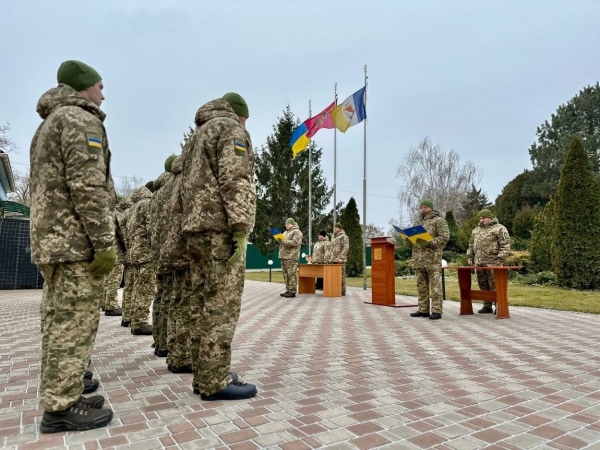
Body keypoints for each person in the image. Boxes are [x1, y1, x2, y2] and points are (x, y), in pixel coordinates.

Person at [30, 60, 114, 432]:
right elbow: (88, 187)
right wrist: (104, 242)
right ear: (84, 88)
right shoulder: (80, 120)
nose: (102, 94)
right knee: (74, 325)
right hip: (74, 243)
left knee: (58, 321)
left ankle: (62, 393)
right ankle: (61, 409)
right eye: (99, 86)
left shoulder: (48, 123)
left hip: (54, 243)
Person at [180, 92, 256, 400]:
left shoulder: (197, 135)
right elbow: (236, 178)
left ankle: (204, 374)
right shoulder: (230, 129)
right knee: (221, 306)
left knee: (201, 302)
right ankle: (215, 381)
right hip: (219, 230)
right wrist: (241, 227)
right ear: (241, 115)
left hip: (195, 230)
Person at [148, 155, 177, 356]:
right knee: (174, 299)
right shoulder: (174, 187)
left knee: (161, 296)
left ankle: (159, 341)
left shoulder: (156, 194)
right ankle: (170, 344)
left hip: (158, 253)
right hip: (174, 253)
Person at [409, 199, 450, 320]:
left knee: (435, 286)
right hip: (418, 258)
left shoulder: (439, 221)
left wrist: (429, 242)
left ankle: (437, 310)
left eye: (426, 207)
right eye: (421, 207)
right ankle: (423, 309)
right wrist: (408, 240)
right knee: (421, 285)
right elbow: (414, 238)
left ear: (431, 208)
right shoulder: (417, 222)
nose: (423, 209)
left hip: (432, 258)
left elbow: (445, 237)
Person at [467, 208, 511, 314]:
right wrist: (469, 257)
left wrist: (501, 259)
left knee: (495, 285)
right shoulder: (476, 230)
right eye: (480, 218)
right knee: (483, 284)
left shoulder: (499, 228)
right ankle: (487, 305)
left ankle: (499, 306)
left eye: (484, 218)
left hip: (493, 262)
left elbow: (505, 244)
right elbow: (471, 245)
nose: (481, 220)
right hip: (479, 262)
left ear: (490, 218)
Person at [126, 185, 156, 335]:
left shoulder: (133, 207)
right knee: (147, 288)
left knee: (138, 287)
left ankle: (134, 319)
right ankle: (139, 322)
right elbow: (152, 229)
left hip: (135, 253)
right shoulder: (146, 204)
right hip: (146, 253)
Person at [278, 218, 303, 298]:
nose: (286, 225)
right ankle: (288, 289)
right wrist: (278, 241)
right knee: (285, 274)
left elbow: (294, 243)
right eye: (286, 224)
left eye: (288, 224)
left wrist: (282, 241)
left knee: (291, 273)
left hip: (291, 256)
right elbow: (282, 243)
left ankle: (292, 291)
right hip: (283, 256)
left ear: (292, 224)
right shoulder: (285, 232)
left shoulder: (297, 232)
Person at [330, 223, 349, 296]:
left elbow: (345, 247)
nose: (334, 228)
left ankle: (342, 290)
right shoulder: (333, 237)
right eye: (334, 227)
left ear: (340, 228)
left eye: (336, 227)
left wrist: (341, 257)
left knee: (341, 275)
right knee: (334, 275)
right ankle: (335, 289)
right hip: (334, 259)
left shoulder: (344, 237)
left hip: (340, 260)